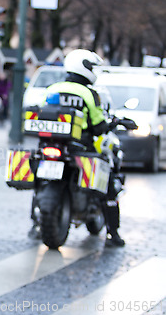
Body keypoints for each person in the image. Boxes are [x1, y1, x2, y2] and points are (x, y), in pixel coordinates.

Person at [32, 49, 125, 247]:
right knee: (109, 186)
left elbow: (41, 114)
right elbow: (98, 125)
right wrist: (110, 124)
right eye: (92, 67)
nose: (94, 71)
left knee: (40, 182)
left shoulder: (52, 88)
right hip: (80, 147)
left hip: (51, 144)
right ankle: (113, 234)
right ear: (83, 67)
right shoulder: (89, 93)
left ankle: (34, 224)